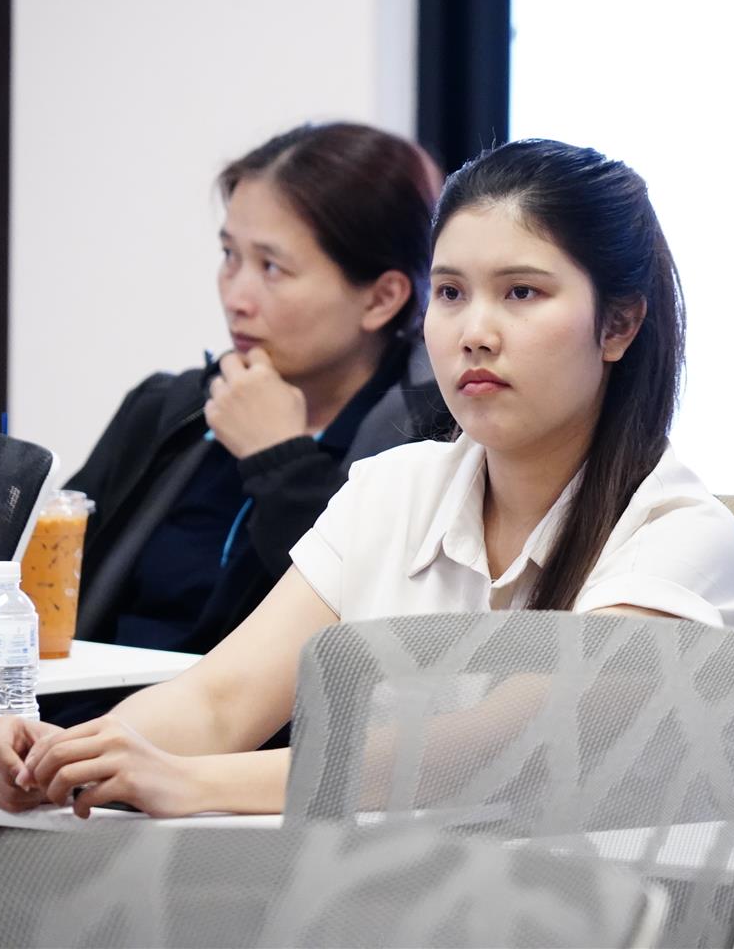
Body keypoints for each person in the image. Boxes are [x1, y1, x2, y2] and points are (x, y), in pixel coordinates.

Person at [0, 139, 734, 817]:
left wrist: (191, 782)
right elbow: (221, 700)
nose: (474, 332)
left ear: (619, 325)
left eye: (521, 293)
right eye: (451, 293)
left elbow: (485, 752)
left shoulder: (680, 537)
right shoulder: (393, 489)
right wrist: (67, 755)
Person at [60, 123, 452, 662]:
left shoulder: (429, 443)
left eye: (272, 267)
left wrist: (280, 460)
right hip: (90, 704)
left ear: (381, 299)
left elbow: (381, 642)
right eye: (230, 256)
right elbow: (49, 585)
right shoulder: (171, 410)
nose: (236, 298)